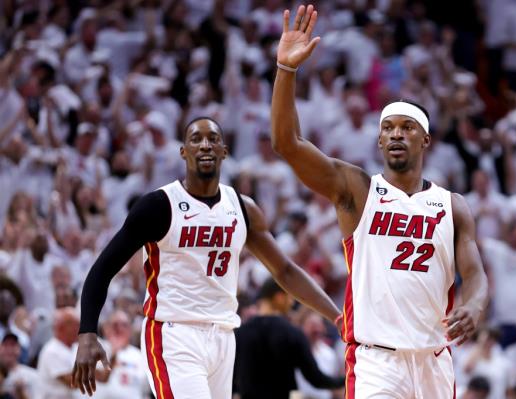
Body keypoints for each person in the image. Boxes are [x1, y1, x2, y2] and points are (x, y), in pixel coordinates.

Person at [271, 5, 488, 398]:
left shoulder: (452, 205)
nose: (396, 135)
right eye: (388, 128)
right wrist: (286, 71)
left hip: (435, 359)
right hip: (377, 362)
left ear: (425, 141)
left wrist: (474, 306)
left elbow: (474, 274)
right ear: (379, 140)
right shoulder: (358, 189)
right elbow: (287, 144)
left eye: (407, 128)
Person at [71, 116, 341, 398]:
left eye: (212, 139)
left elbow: (285, 271)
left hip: (224, 335)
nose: (205, 145)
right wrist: (87, 332)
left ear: (224, 151)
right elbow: (102, 270)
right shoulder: (159, 206)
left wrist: (338, 318)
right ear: (183, 151)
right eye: (196, 139)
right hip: (174, 334)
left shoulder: (243, 208)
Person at [234, 278, 344, 399]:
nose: (292, 302)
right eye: (290, 297)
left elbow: (232, 376)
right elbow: (316, 379)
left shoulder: (240, 333)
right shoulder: (293, 333)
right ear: (279, 297)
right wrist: (346, 379)